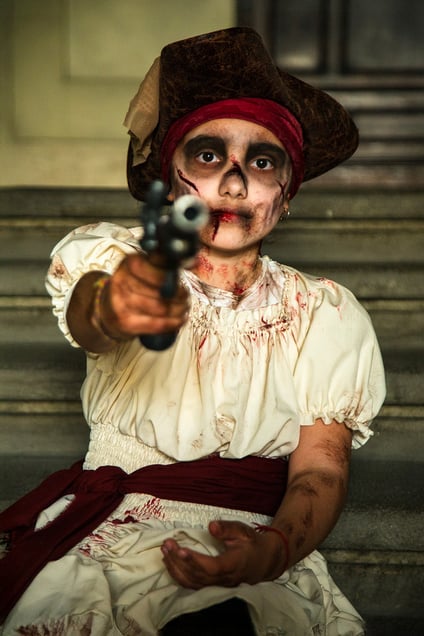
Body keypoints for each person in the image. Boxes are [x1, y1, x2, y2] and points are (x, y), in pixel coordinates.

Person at [0, 27, 385, 635]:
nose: (233, 183)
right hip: (113, 536)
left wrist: (274, 551)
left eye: (262, 162)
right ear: (169, 177)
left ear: (286, 195)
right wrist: (115, 306)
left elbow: (321, 471)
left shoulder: (323, 313)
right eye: (209, 156)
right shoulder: (121, 259)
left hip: (251, 540)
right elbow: (92, 317)